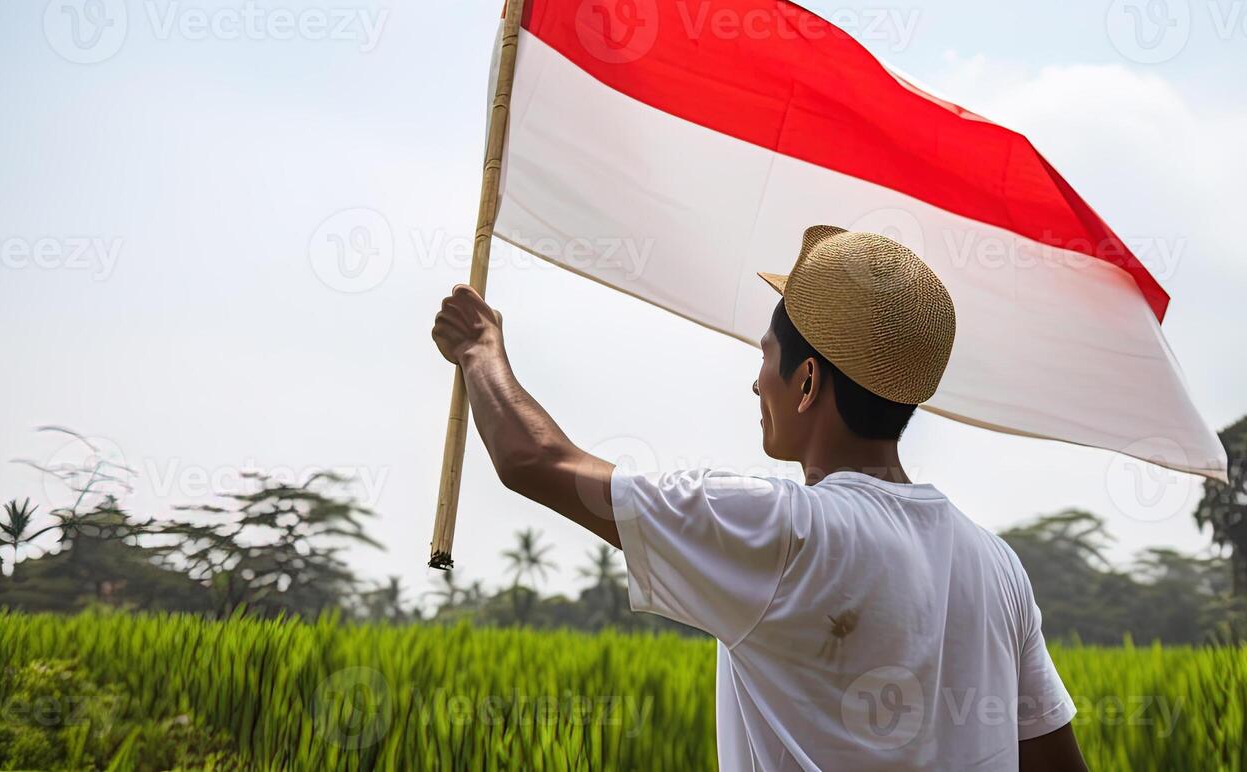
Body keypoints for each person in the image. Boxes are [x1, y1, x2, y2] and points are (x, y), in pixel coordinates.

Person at [431, 224, 1088, 771]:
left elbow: (534, 460)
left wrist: (478, 351)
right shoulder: (996, 566)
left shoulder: (783, 529)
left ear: (806, 382)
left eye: (766, 357)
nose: (755, 385)